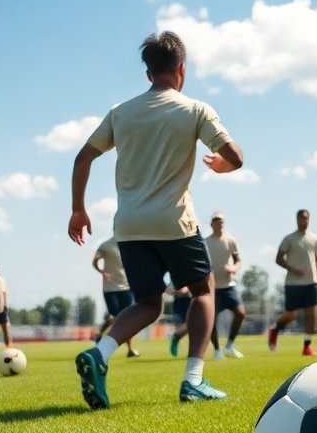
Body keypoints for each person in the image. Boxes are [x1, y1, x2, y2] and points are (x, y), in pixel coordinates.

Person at [68, 30, 244, 407]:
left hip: (129, 227)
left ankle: (99, 354)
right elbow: (235, 155)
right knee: (203, 291)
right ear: (182, 69)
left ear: (148, 73)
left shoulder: (121, 112)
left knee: (148, 302)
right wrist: (224, 166)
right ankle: (193, 380)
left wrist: (78, 209)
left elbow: (83, 157)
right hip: (174, 221)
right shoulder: (196, 109)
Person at [267, 210, 317, 356]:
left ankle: (307, 346)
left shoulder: (314, 238)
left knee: (312, 313)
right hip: (293, 283)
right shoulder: (289, 239)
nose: (304, 221)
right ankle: (275, 329)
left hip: (311, 281)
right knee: (292, 314)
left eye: (306, 218)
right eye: (301, 218)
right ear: (297, 220)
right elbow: (278, 259)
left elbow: (316, 257)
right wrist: (293, 269)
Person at [205, 212, 246, 359]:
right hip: (212, 288)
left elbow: (238, 261)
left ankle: (229, 345)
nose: (219, 223)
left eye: (221, 221)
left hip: (229, 286)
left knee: (240, 312)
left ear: (224, 223)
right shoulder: (205, 242)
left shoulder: (230, 241)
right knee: (211, 319)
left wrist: (234, 268)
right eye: (216, 221)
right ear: (211, 224)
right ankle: (217, 350)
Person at [92, 235, 140, 357]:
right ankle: (100, 335)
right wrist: (102, 272)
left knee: (126, 318)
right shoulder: (106, 245)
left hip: (127, 287)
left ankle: (130, 350)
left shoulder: (129, 244)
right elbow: (95, 260)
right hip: (110, 288)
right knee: (114, 317)